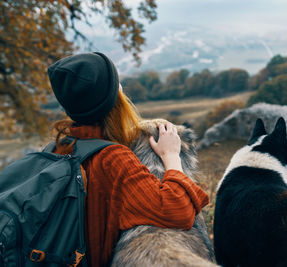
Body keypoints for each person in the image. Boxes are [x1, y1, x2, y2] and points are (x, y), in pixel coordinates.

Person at [47, 52, 209, 267]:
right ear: (113, 98)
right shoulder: (113, 158)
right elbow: (177, 212)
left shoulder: (57, 149)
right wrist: (171, 156)